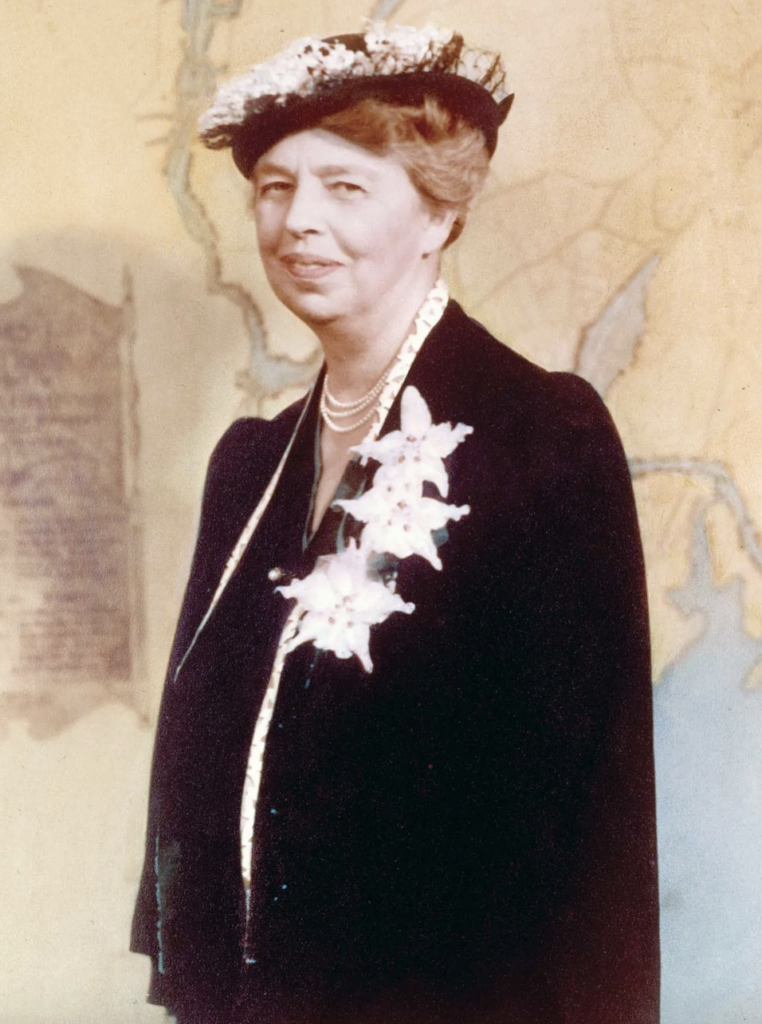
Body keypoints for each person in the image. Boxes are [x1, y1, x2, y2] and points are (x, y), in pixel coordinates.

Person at [131, 24, 659, 1024]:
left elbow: (591, 838)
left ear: (436, 214)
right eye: (275, 187)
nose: (297, 223)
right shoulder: (247, 465)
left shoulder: (542, 436)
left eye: (345, 187)